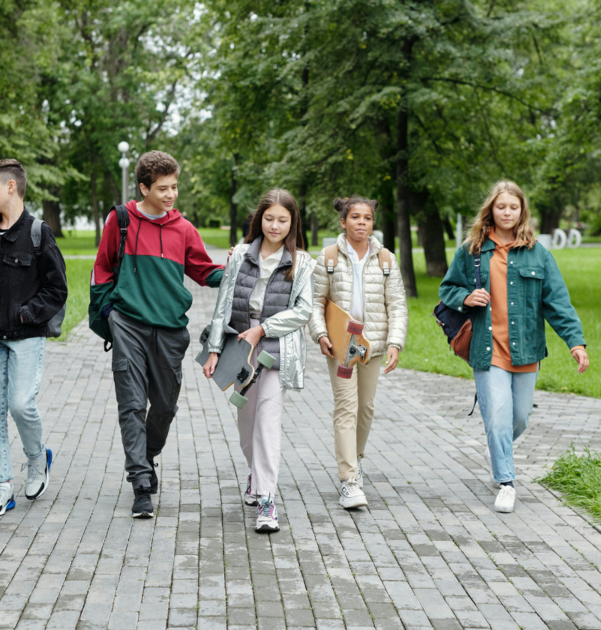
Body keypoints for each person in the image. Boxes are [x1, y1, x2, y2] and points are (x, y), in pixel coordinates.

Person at [439, 180, 589, 513]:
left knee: (518, 418)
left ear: (522, 212)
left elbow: (557, 302)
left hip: (526, 349)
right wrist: (466, 297)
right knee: (498, 416)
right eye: (501, 206)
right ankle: (506, 482)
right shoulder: (472, 251)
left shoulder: (538, 253)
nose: (507, 212)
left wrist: (575, 342)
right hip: (487, 347)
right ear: (491, 209)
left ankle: (498, 449)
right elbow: (447, 288)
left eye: (513, 207)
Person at [90, 150, 224, 519]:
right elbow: (102, 269)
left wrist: (239, 268)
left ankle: (146, 456)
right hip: (128, 324)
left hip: (170, 329)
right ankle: (140, 482)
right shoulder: (120, 221)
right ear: (143, 187)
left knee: (164, 406)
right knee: (131, 404)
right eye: (162, 188)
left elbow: (203, 270)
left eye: (174, 187)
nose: (170, 195)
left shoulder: (184, 229)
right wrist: (108, 314)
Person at [202, 189, 315, 533]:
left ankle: (267, 499)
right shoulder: (239, 255)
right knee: (246, 424)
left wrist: (264, 328)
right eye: (269, 218)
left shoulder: (303, 262)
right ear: (258, 219)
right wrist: (215, 349)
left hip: (275, 348)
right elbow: (223, 303)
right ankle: (255, 474)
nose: (275, 226)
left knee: (267, 422)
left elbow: (304, 311)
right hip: (241, 345)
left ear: (293, 222)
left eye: (283, 220)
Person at [0, 158, 68, 517]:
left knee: (21, 404)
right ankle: (2, 486)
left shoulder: (38, 232)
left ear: (11, 187)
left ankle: (36, 458)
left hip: (26, 337)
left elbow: (57, 289)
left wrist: (25, 314)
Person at [309, 196, 408, 509]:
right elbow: (314, 303)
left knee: (365, 408)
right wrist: (321, 334)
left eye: (367, 218)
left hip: (373, 345)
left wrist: (395, 342)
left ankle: (356, 457)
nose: (361, 223)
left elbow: (397, 305)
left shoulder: (386, 260)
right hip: (340, 345)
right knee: (346, 407)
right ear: (343, 221)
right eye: (355, 217)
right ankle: (349, 480)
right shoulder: (327, 258)